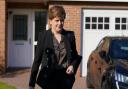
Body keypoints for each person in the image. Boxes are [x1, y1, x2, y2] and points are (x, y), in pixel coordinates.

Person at [29, 5, 82, 89]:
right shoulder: (43, 36)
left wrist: (72, 66)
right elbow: (37, 61)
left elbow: (75, 56)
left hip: (65, 79)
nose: (60, 23)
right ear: (50, 21)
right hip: (48, 79)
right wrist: (31, 84)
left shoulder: (70, 36)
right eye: (57, 20)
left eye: (62, 20)